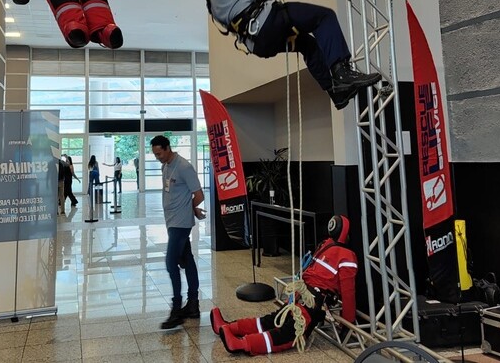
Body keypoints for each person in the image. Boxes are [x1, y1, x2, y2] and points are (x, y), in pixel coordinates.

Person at [199, 0, 381, 110]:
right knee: (324, 17)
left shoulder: (212, 0)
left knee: (308, 46)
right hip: (267, 21)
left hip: (259, 42)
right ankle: (342, 73)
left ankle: (336, 93)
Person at [210, 215, 358, 355]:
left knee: (271, 320)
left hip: (300, 293)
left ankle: (227, 327)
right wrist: (348, 324)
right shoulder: (347, 256)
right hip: (313, 301)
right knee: (288, 334)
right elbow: (348, 293)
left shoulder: (324, 245)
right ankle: (242, 344)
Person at [150, 135, 206, 329]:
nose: (158, 157)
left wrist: (190, 208)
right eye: (155, 154)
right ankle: (193, 305)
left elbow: (199, 195)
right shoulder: (165, 166)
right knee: (187, 260)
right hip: (172, 221)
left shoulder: (184, 167)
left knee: (171, 263)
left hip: (180, 224)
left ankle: (176, 310)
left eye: (159, 153)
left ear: (167, 148)